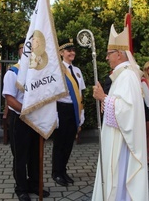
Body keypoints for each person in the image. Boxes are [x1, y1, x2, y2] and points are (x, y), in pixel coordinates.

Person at [91, 29, 149, 201]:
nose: (107, 58)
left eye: (109, 54)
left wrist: (103, 98)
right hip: (119, 135)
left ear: (119, 54)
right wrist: (106, 100)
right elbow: (121, 106)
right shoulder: (123, 75)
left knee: (119, 174)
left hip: (123, 142)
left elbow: (127, 112)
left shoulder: (127, 76)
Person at [2, 39, 49, 201]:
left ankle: (35, 184)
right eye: (25, 49)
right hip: (20, 119)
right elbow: (10, 99)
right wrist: (27, 110)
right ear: (20, 51)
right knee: (20, 156)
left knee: (35, 154)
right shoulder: (13, 72)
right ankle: (21, 187)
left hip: (36, 119)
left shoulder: (38, 72)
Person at [52, 38, 86, 187]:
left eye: (73, 50)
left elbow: (80, 93)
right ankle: (56, 172)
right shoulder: (57, 70)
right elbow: (52, 94)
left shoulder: (77, 71)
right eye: (68, 50)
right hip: (61, 109)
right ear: (61, 53)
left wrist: (81, 112)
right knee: (59, 143)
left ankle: (63, 170)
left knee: (69, 143)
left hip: (74, 109)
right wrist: (54, 115)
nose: (72, 53)